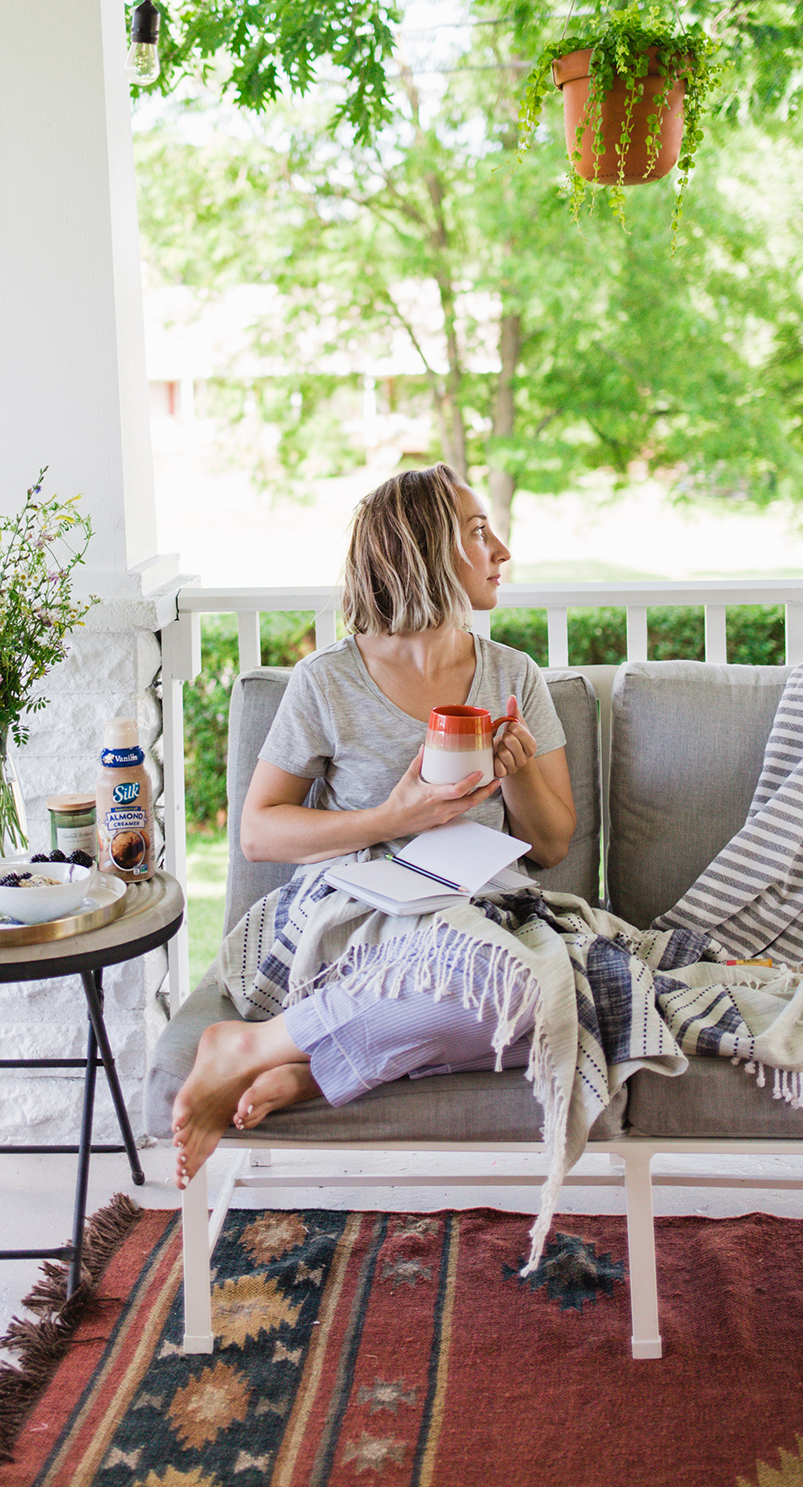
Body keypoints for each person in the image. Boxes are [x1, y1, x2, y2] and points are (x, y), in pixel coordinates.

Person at [172, 463, 577, 1188]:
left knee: (557, 1003)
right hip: (366, 907)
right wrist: (393, 817)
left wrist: (516, 772)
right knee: (495, 987)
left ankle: (297, 1065)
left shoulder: (514, 675)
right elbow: (260, 832)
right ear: (426, 550)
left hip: (482, 903)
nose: (502, 552)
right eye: (479, 533)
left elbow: (551, 844)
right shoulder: (327, 681)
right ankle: (273, 1046)